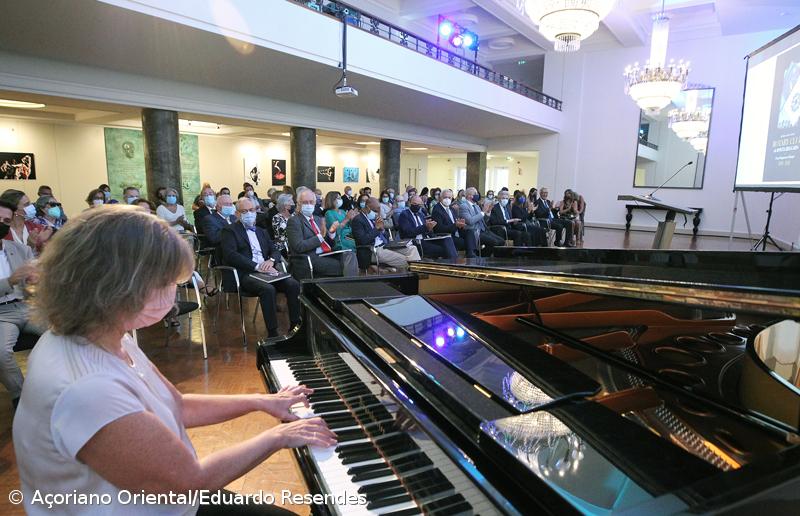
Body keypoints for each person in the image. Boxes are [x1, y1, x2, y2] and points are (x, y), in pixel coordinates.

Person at [13, 206, 333, 515]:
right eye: (166, 282)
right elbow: (189, 482)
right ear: (118, 287)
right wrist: (279, 436)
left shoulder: (101, 333)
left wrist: (262, 402)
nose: (174, 291)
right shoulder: (87, 387)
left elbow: (176, 405)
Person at [221, 198, 302, 338]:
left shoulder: (261, 231)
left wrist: (271, 261)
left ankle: (295, 326)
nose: (249, 213)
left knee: (293, 284)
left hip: (267, 270)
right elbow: (231, 255)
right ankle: (273, 333)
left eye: (252, 210)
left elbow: (275, 251)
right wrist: (257, 266)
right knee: (268, 289)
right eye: (244, 211)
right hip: (246, 273)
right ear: (237, 214)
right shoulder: (229, 230)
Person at [0, 199, 43, 409]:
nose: (2, 223)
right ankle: (21, 395)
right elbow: (13, 280)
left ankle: (53, 386)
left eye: (6, 221)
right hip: (2, 314)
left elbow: (29, 285)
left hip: (26, 307)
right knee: (1, 352)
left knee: (64, 333)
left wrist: (33, 280)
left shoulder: (20, 249)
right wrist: (10, 281)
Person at [286, 189, 358, 280]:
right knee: (345, 266)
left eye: (311, 202)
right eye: (305, 202)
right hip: (308, 257)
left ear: (315, 203)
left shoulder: (318, 219)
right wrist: (320, 237)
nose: (308, 204)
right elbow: (299, 246)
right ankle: (350, 288)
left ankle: (349, 287)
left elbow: (328, 243)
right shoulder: (294, 221)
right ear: (299, 204)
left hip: (326, 253)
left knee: (350, 255)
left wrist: (331, 233)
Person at [352, 196, 420, 270]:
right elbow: (362, 240)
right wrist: (376, 228)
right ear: (368, 208)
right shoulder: (358, 220)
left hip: (385, 245)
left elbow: (385, 236)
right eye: (375, 211)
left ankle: (415, 273)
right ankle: (415, 276)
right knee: (405, 260)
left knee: (412, 248)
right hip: (372, 250)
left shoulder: (373, 218)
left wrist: (383, 230)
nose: (377, 213)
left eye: (378, 211)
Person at [431, 189, 477, 257]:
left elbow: (456, 222)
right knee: (464, 242)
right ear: (440, 198)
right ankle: (469, 255)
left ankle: (471, 253)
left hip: (456, 232)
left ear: (452, 198)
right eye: (445, 197)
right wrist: (455, 225)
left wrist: (460, 224)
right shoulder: (437, 209)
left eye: (449, 197)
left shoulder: (452, 209)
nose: (447, 199)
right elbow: (439, 228)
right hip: (446, 235)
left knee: (470, 231)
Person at [461, 187, 504, 256]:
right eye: (475, 193)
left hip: (484, 230)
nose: (477, 195)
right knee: (494, 242)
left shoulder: (476, 206)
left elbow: (483, 220)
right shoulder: (464, 206)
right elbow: (470, 221)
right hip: (474, 231)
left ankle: (492, 258)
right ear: (469, 196)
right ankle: (483, 256)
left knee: (501, 241)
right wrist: (483, 212)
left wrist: (488, 212)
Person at [270, 194, 295, 258]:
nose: (293, 204)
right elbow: (280, 235)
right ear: (285, 206)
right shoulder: (277, 218)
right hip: (283, 246)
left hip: (295, 243)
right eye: (291, 202)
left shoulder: (294, 215)